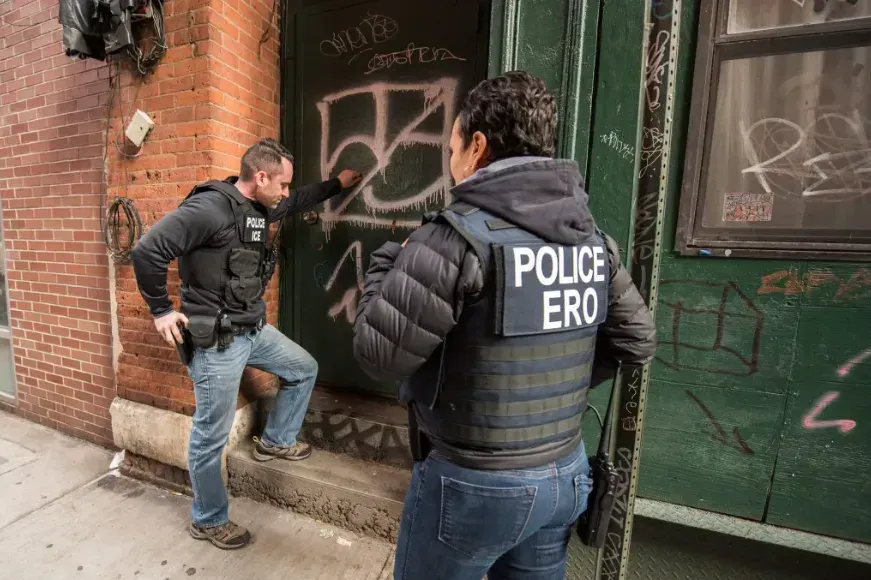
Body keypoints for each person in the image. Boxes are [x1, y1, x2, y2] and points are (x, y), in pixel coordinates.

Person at [352, 71, 657, 580]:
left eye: (452, 150)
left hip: (476, 486)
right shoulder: (592, 243)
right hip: (564, 472)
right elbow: (637, 341)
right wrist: (549, 391)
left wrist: (387, 262)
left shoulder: (454, 240)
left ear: (477, 146)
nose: (451, 167)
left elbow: (377, 354)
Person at [131, 138, 362, 550]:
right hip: (217, 342)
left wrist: (337, 184)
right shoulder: (209, 209)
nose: (287, 193)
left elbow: (301, 199)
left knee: (303, 368)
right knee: (210, 435)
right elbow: (148, 250)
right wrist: (162, 310)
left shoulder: (262, 205)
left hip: (253, 329)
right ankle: (207, 519)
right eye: (283, 184)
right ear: (261, 177)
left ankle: (276, 440)